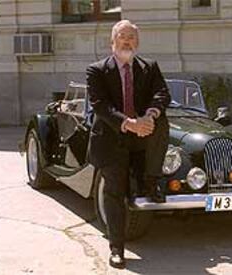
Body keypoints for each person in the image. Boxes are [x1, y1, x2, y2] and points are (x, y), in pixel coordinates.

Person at [86, 20, 170, 269]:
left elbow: (162, 93)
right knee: (115, 193)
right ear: (112, 42)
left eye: (131, 37)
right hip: (112, 138)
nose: (127, 41)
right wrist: (129, 123)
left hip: (142, 137)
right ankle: (117, 250)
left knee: (163, 120)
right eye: (122, 37)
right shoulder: (97, 70)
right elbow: (101, 106)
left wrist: (150, 116)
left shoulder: (149, 67)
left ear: (138, 42)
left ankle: (151, 181)